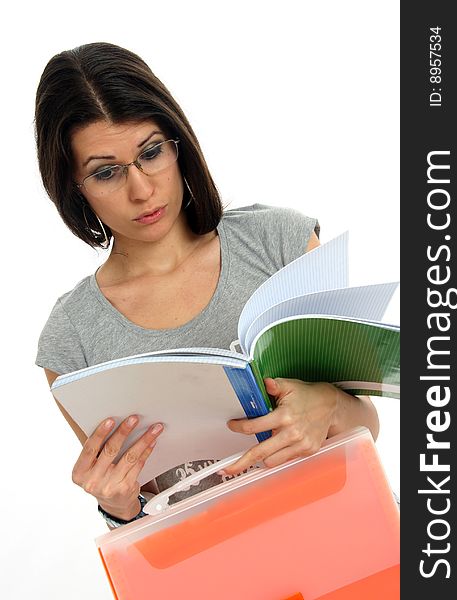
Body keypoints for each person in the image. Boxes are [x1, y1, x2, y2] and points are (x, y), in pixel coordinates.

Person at [35, 42, 380, 528]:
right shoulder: (72, 336)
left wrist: (328, 405)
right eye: (106, 172)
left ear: (178, 143)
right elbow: (141, 526)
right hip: (213, 569)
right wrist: (116, 506)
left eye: (151, 152)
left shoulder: (278, 241)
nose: (141, 189)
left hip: (348, 536)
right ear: (72, 185)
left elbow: (368, 424)